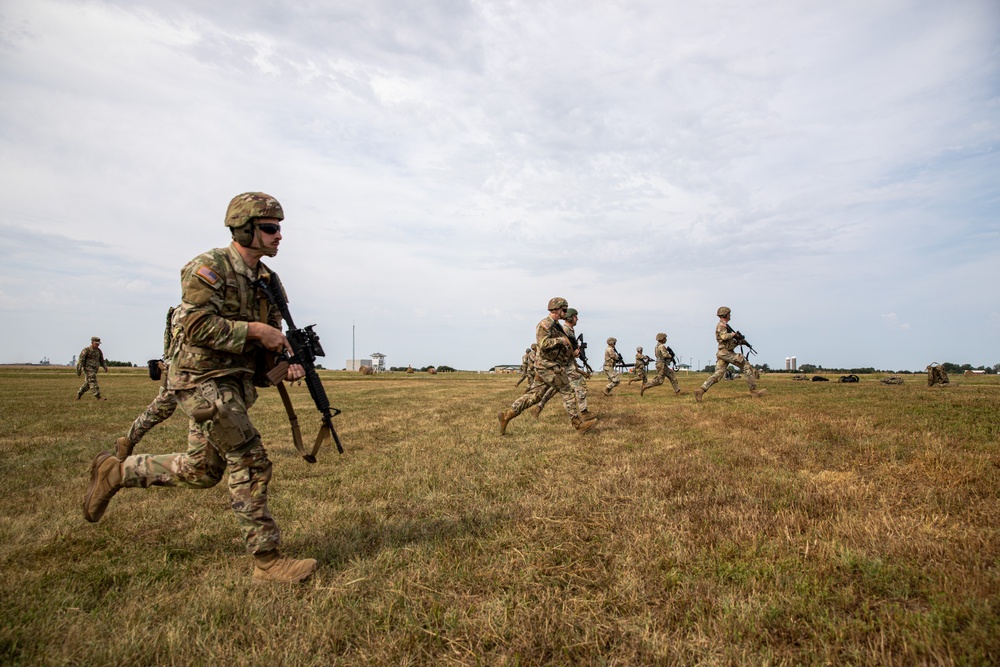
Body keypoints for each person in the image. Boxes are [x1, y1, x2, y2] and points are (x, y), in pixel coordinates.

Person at [83, 191, 317, 584]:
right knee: (250, 458)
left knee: (202, 470)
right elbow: (194, 326)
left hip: (234, 384)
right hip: (200, 380)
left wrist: (285, 363)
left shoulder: (268, 282)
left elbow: (271, 336)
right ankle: (267, 561)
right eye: (271, 229)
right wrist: (256, 331)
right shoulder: (208, 267)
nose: (279, 236)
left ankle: (116, 472)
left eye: (279, 229)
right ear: (245, 230)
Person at [498, 298, 598, 435]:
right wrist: (561, 340)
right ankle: (578, 425)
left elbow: (558, 349)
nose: (565, 312)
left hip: (550, 365)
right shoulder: (545, 325)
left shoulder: (557, 325)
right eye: (564, 309)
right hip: (547, 366)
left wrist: (571, 352)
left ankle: (506, 416)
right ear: (556, 310)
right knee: (567, 389)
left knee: (535, 396)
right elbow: (543, 344)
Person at [114, 306, 182, 460]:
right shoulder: (184, 312)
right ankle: (127, 442)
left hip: (196, 374)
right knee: (161, 409)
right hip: (180, 374)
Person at [694, 307, 766, 402]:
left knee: (718, 374)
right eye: (729, 314)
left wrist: (739, 342)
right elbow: (724, 337)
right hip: (725, 353)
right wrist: (734, 335)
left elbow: (728, 342)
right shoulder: (722, 326)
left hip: (724, 353)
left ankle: (701, 390)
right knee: (746, 366)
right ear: (725, 315)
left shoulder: (725, 326)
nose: (730, 315)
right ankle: (754, 391)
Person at [532, 307, 592, 420]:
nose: (577, 319)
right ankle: (583, 413)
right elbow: (562, 349)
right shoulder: (564, 329)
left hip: (565, 365)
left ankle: (538, 407)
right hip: (564, 364)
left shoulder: (568, 329)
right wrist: (572, 353)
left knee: (554, 388)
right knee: (579, 386)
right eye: (575, 316)